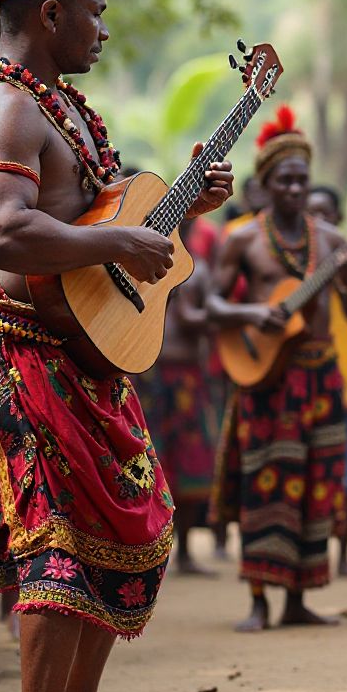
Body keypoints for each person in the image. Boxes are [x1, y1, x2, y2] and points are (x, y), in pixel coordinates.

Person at [0, 0, 234, 692]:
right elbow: (4, 231)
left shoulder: (55, 101)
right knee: (57, 538)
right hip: (19, 351)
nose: (105, 29)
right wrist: (117, 237)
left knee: (133, 522)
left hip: (82, 350)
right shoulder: (6, 107)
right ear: (52, 10)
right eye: (96, 14)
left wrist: (169, 207)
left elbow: (85, 217)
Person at [208, 106, 347, 630]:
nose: (296, 189)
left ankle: (299, 600)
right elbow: (207, 305)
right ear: (266, 184)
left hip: (321, 377)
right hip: (267, 381)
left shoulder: (334, 242)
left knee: (318, 484)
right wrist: (255, 312)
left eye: (303, 180)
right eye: (285, 180)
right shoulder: (243, 240)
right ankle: (258, 600)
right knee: (266, 482)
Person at [134, 216, 218, 575]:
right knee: (150, 465)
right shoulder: (142, 261)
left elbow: (211, 315)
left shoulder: (198, 271)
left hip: (187, 377)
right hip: (151, 376)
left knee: (188, 465)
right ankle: (152, 553)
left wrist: (187, 309)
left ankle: (183, 552)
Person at [306, 183, 347, 577]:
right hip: (293, 375)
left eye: (327, 213)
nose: (320, 221)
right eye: (315, 214)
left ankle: (343, 554)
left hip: (343, 372)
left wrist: (345, 285)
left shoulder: (338, 249)